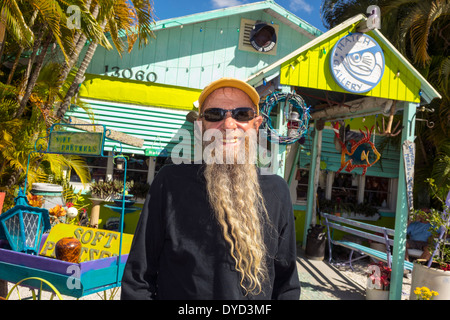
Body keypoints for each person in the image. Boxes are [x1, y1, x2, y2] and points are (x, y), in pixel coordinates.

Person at [121, 77, 301, 300]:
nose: (228, 125)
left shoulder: (277, 190)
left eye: (242, 114)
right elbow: (138, 278)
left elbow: (287, 285)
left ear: (256, 124)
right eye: (214, 115)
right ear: (200, 127)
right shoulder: (170, 183)